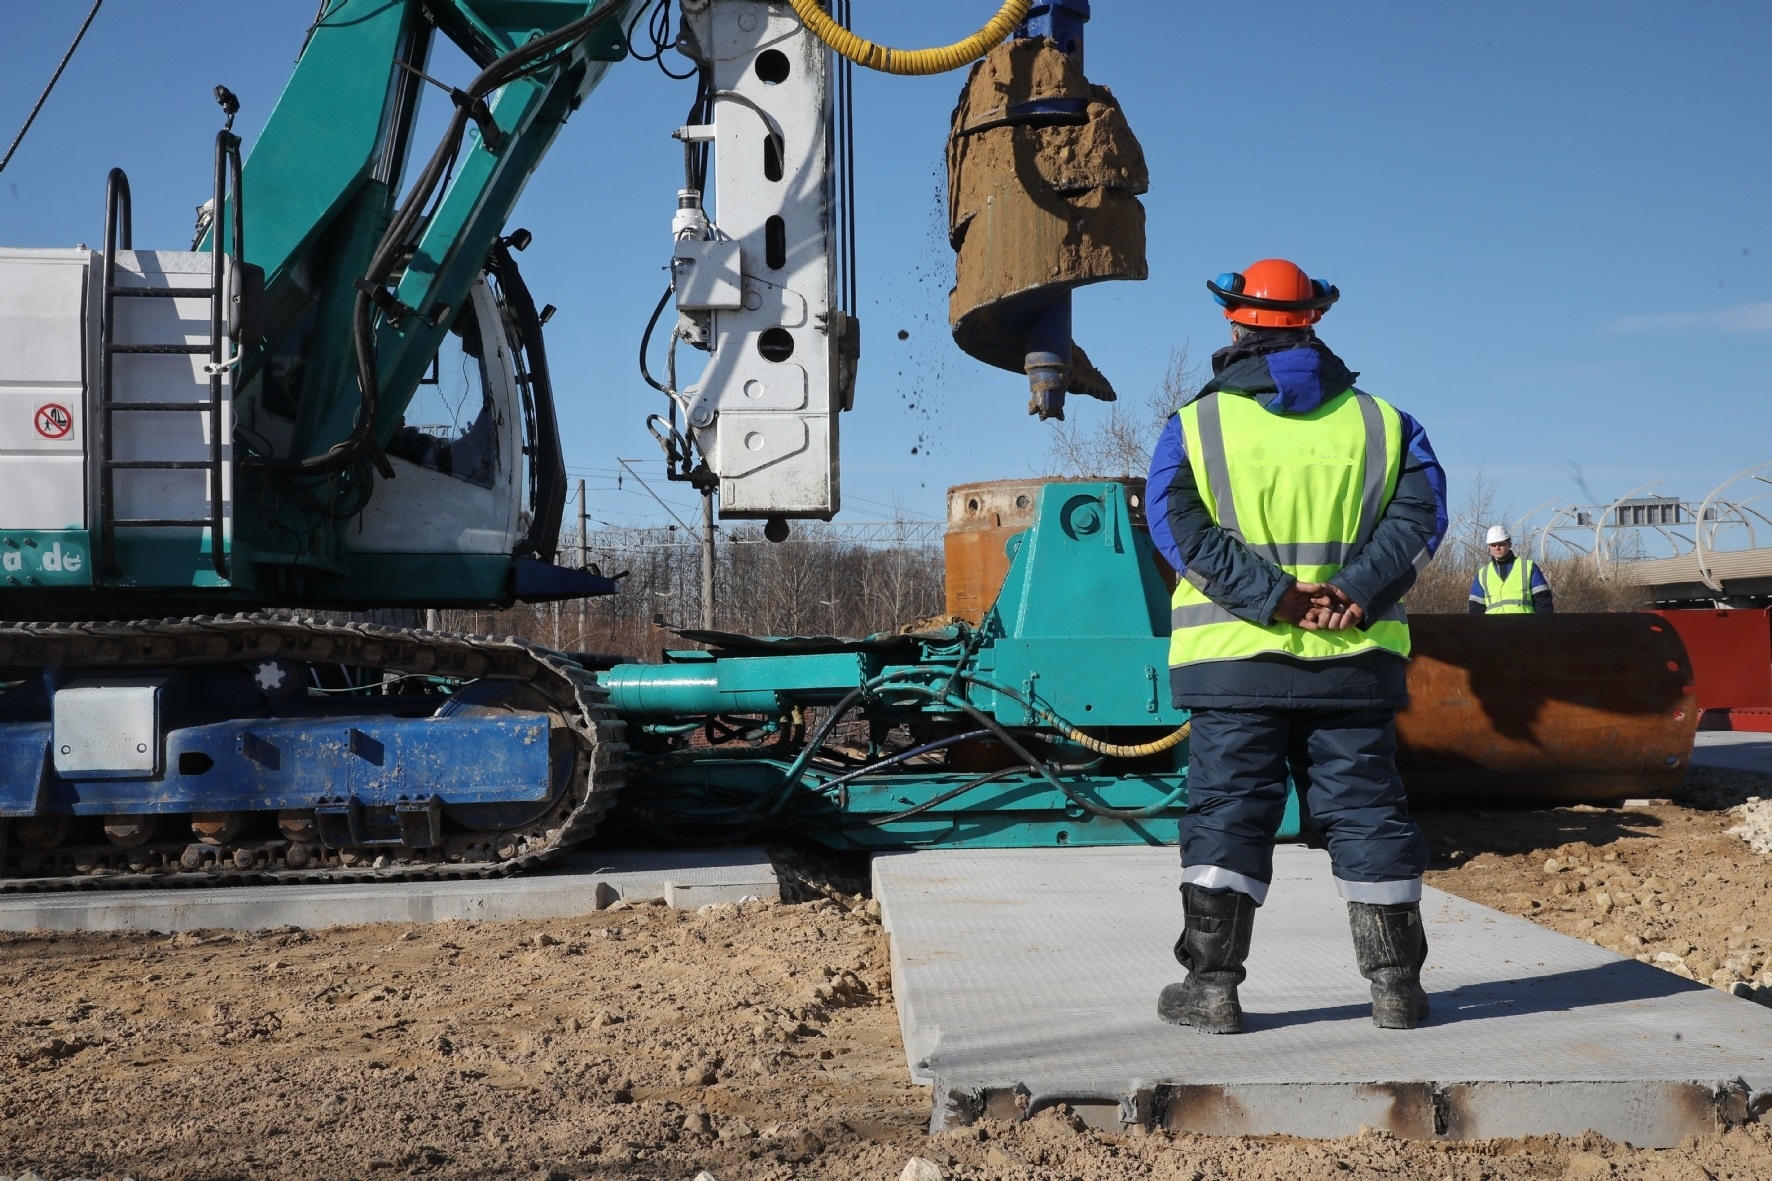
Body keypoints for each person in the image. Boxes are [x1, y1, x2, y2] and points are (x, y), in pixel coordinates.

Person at [1144, 258, 1448, 1034]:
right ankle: (1396, 991)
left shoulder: (1196, 425)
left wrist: (1271, 597)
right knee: (1369, 813)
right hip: (1355, 665)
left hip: (1236, 664)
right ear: (1315, 320)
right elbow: (1420, 519)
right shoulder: (1386, 424)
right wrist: (1354, 591)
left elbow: (1179, 531)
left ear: (1234, 322)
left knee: (1228, 815)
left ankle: (1210, 991)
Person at [1469, 525, 1553, 614]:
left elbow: (1543, 601)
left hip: (1524, 625)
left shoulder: (1528, 567)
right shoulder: (1482, 574)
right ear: (1488, 547)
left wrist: (1541, 625)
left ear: (1509, 544)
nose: (1497, 548)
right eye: (1493, 545)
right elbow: (1475, 608)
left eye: (1501, 543)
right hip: (1493, 627)